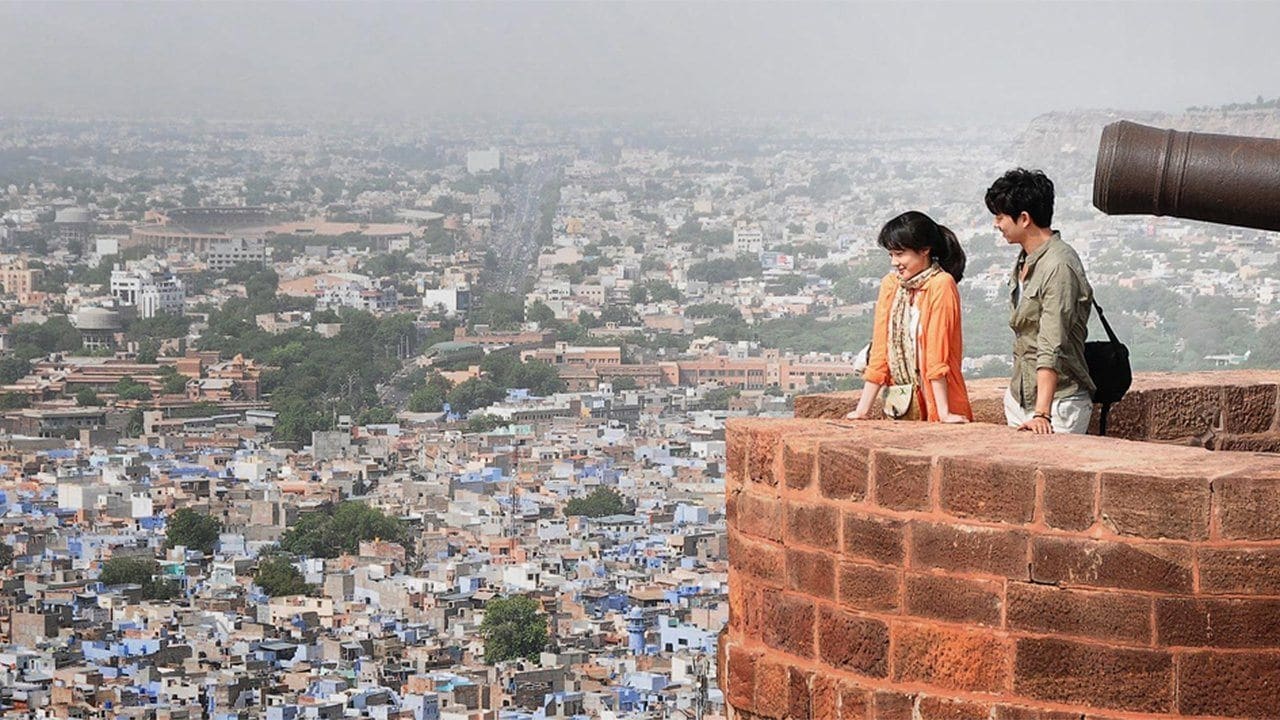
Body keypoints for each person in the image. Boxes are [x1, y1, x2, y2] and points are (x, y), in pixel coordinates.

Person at [985, 168, 1095, 434]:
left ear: (1024, 218)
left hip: (1057, 405)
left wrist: (1042, 414)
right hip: (1021, 397)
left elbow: (1051, 342)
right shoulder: (1027, 258)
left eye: (1000, 216)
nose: (996, 224)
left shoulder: (1058, 266)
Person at [846, 211, 972, 423]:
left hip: (939, 400)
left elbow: (937, 354)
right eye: (891, 255)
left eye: (900, 254)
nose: (895, 262)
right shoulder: (891, 285)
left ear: (924, 250)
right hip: (902, 403)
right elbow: (880, 351)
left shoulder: (941, 284)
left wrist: (944, 413)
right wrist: (862, 410)